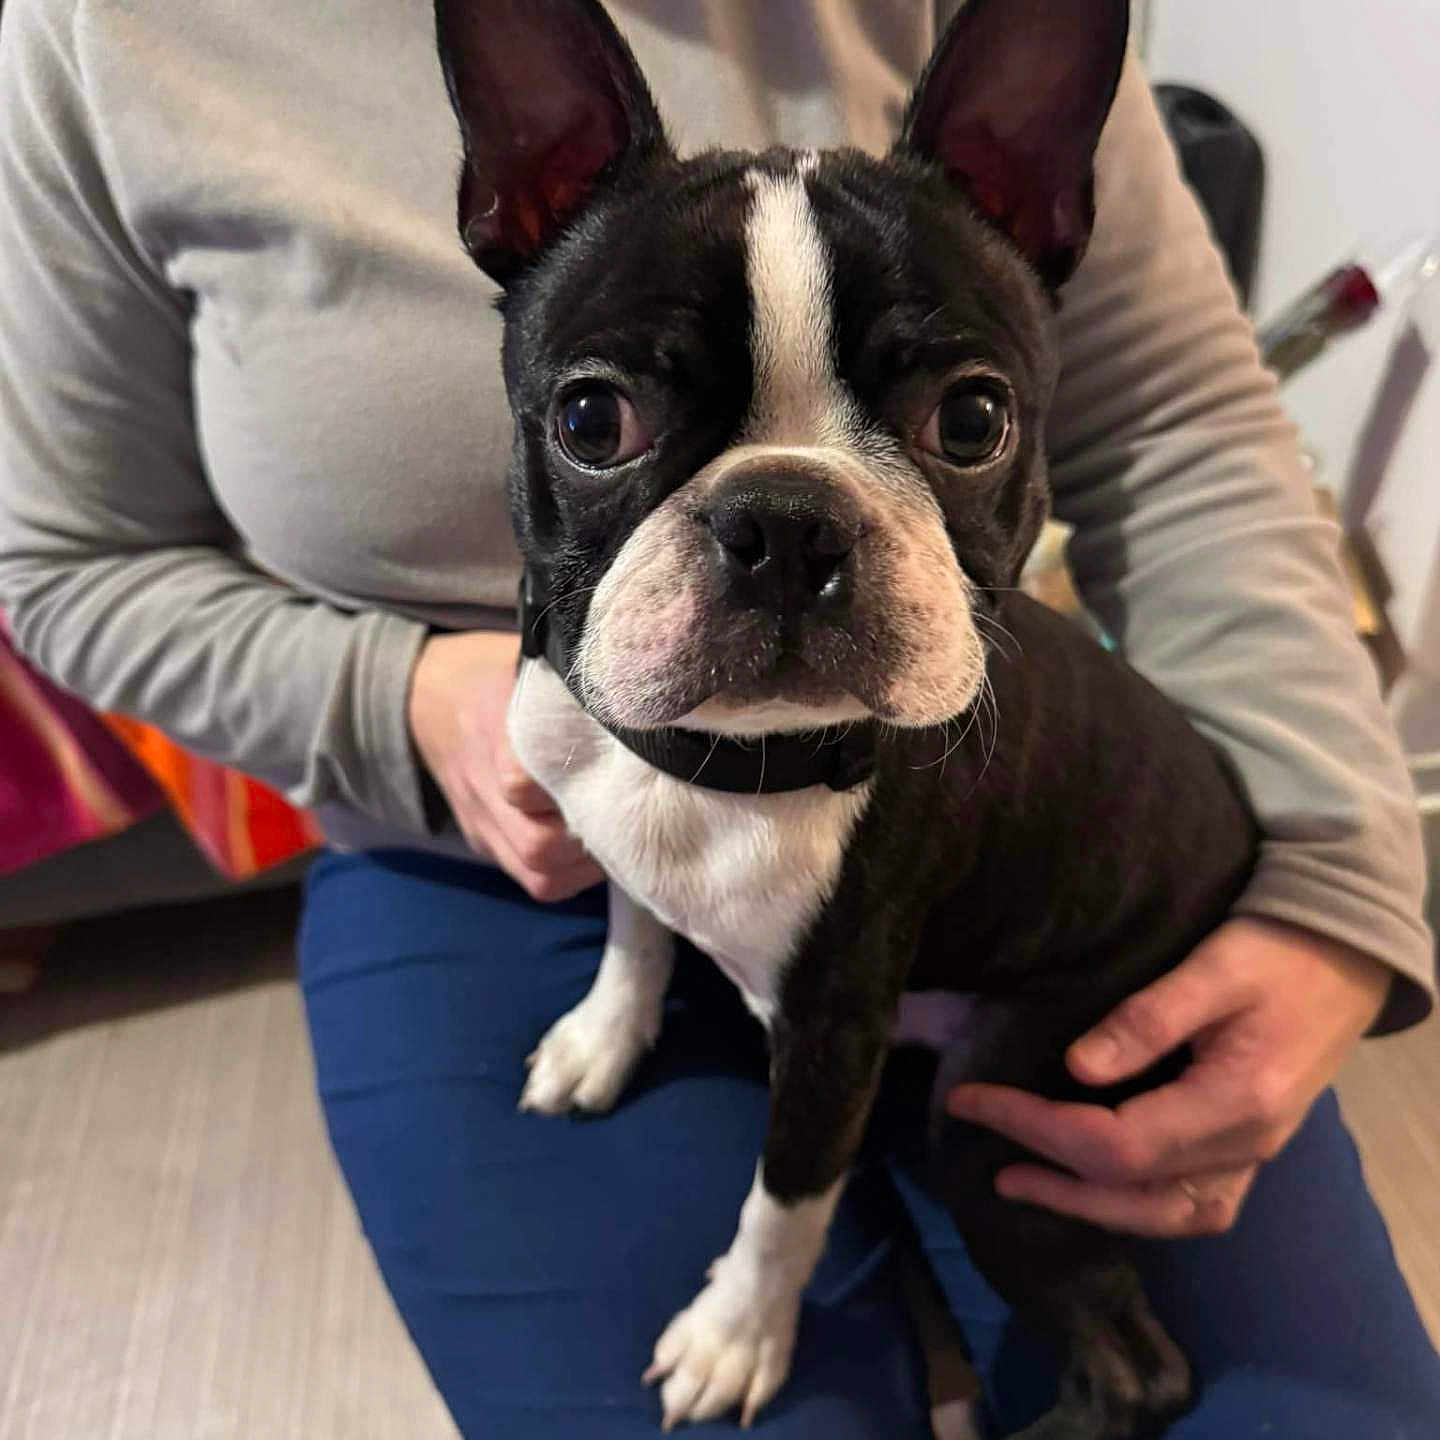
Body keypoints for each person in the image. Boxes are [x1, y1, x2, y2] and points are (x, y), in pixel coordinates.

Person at [1, 2, 1436, 1435]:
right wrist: (404, 703)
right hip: (465, 862)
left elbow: (1186, 420)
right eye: (602, 423)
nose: (792, 547)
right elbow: (58, 567)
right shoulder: (100, 41)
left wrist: (1341, 885)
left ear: (1041, 212)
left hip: (1053, 942)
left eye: (963, 423)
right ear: (510, 200)